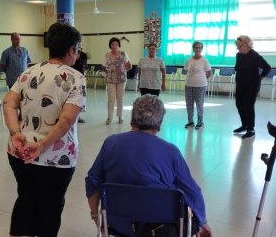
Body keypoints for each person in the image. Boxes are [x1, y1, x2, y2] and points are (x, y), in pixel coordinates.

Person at [85, 95, 212, 237]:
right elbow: (192, 191)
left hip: (118, 223)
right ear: (159, 124)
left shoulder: (111, 143)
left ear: (132, 120)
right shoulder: (170, 151)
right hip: (160, 227)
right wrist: (203, 221)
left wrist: (97, 216)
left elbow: (92, 181)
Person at [3, 22, 86, 237]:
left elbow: (8, 103)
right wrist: (41, 146)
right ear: (71, 50)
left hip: (19, 152)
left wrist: (15, 133)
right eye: (78, 48)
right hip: (56, 158)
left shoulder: (28, 72)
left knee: (26, 199)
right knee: (50, 206)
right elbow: (66, 120)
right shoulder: (75, 78)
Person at [233, 35, 271, 139]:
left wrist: (260, 77)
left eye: (239, 46)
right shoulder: (239, 55)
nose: (237, 48)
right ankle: (244, 125)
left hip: (252, 86)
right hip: (240, 84)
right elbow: (237, 68)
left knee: (248, 106)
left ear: (246, 44)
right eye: (237, 46)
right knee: (239, 104)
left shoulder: (254, 55)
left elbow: (267, 67)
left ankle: (251, 129)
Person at [102, 37, 132, 125]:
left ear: (118, 45)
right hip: (110, 80)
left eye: (116, 44)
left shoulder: (123, 54)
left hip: (121, 79)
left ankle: (120, 116)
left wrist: (124, 69)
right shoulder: (107, 55)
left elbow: (129, 66)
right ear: (110, 46)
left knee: (120, 98)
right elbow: (103, 66)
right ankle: (109, 117)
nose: (114, 46)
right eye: (112, 44)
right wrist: (108, 72)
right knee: (111, 99)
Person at [184, 41, 212, 130]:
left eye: (199, 48)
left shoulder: (204, 60)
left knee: (199, 104)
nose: (198, 49)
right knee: (189, 104)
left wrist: (202, 80)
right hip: (188, 85)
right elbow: (186, 70)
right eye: (196, 47)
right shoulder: (189, 60)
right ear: (193, 49)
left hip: (200, 86)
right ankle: (190, 121)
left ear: (202, 49)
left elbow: (209, 73)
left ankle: (200, 122)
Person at [72, 48, 88, 123]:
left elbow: (85, 66)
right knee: (72, 97)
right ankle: (72, 116)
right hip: (71, 78)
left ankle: (79, 116)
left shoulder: (84, 55)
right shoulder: (70, 53)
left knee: (81, 97)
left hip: (81, 78)